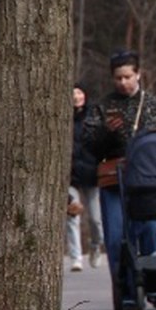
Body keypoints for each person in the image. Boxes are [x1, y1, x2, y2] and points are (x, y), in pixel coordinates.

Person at [86, 50, 156, 310]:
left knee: (155, 228)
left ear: (138, 74)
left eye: (127, 77)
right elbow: (89, 147)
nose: (123, 82)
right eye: (118, 78)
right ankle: (125, 290)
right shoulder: (103, 108)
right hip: (115, 182)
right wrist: (106, 134)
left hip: (150, 181)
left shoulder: (155, 105)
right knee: (116, 236)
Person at [68, 83, 104, 271]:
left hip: (92, 175)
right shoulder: (63, 118)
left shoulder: (94, 117)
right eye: (73, 93)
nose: (76, 97)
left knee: (96, 220)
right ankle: (76, 258)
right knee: (72, 217)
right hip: (70, 176)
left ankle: (95, 245)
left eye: (80, 92)